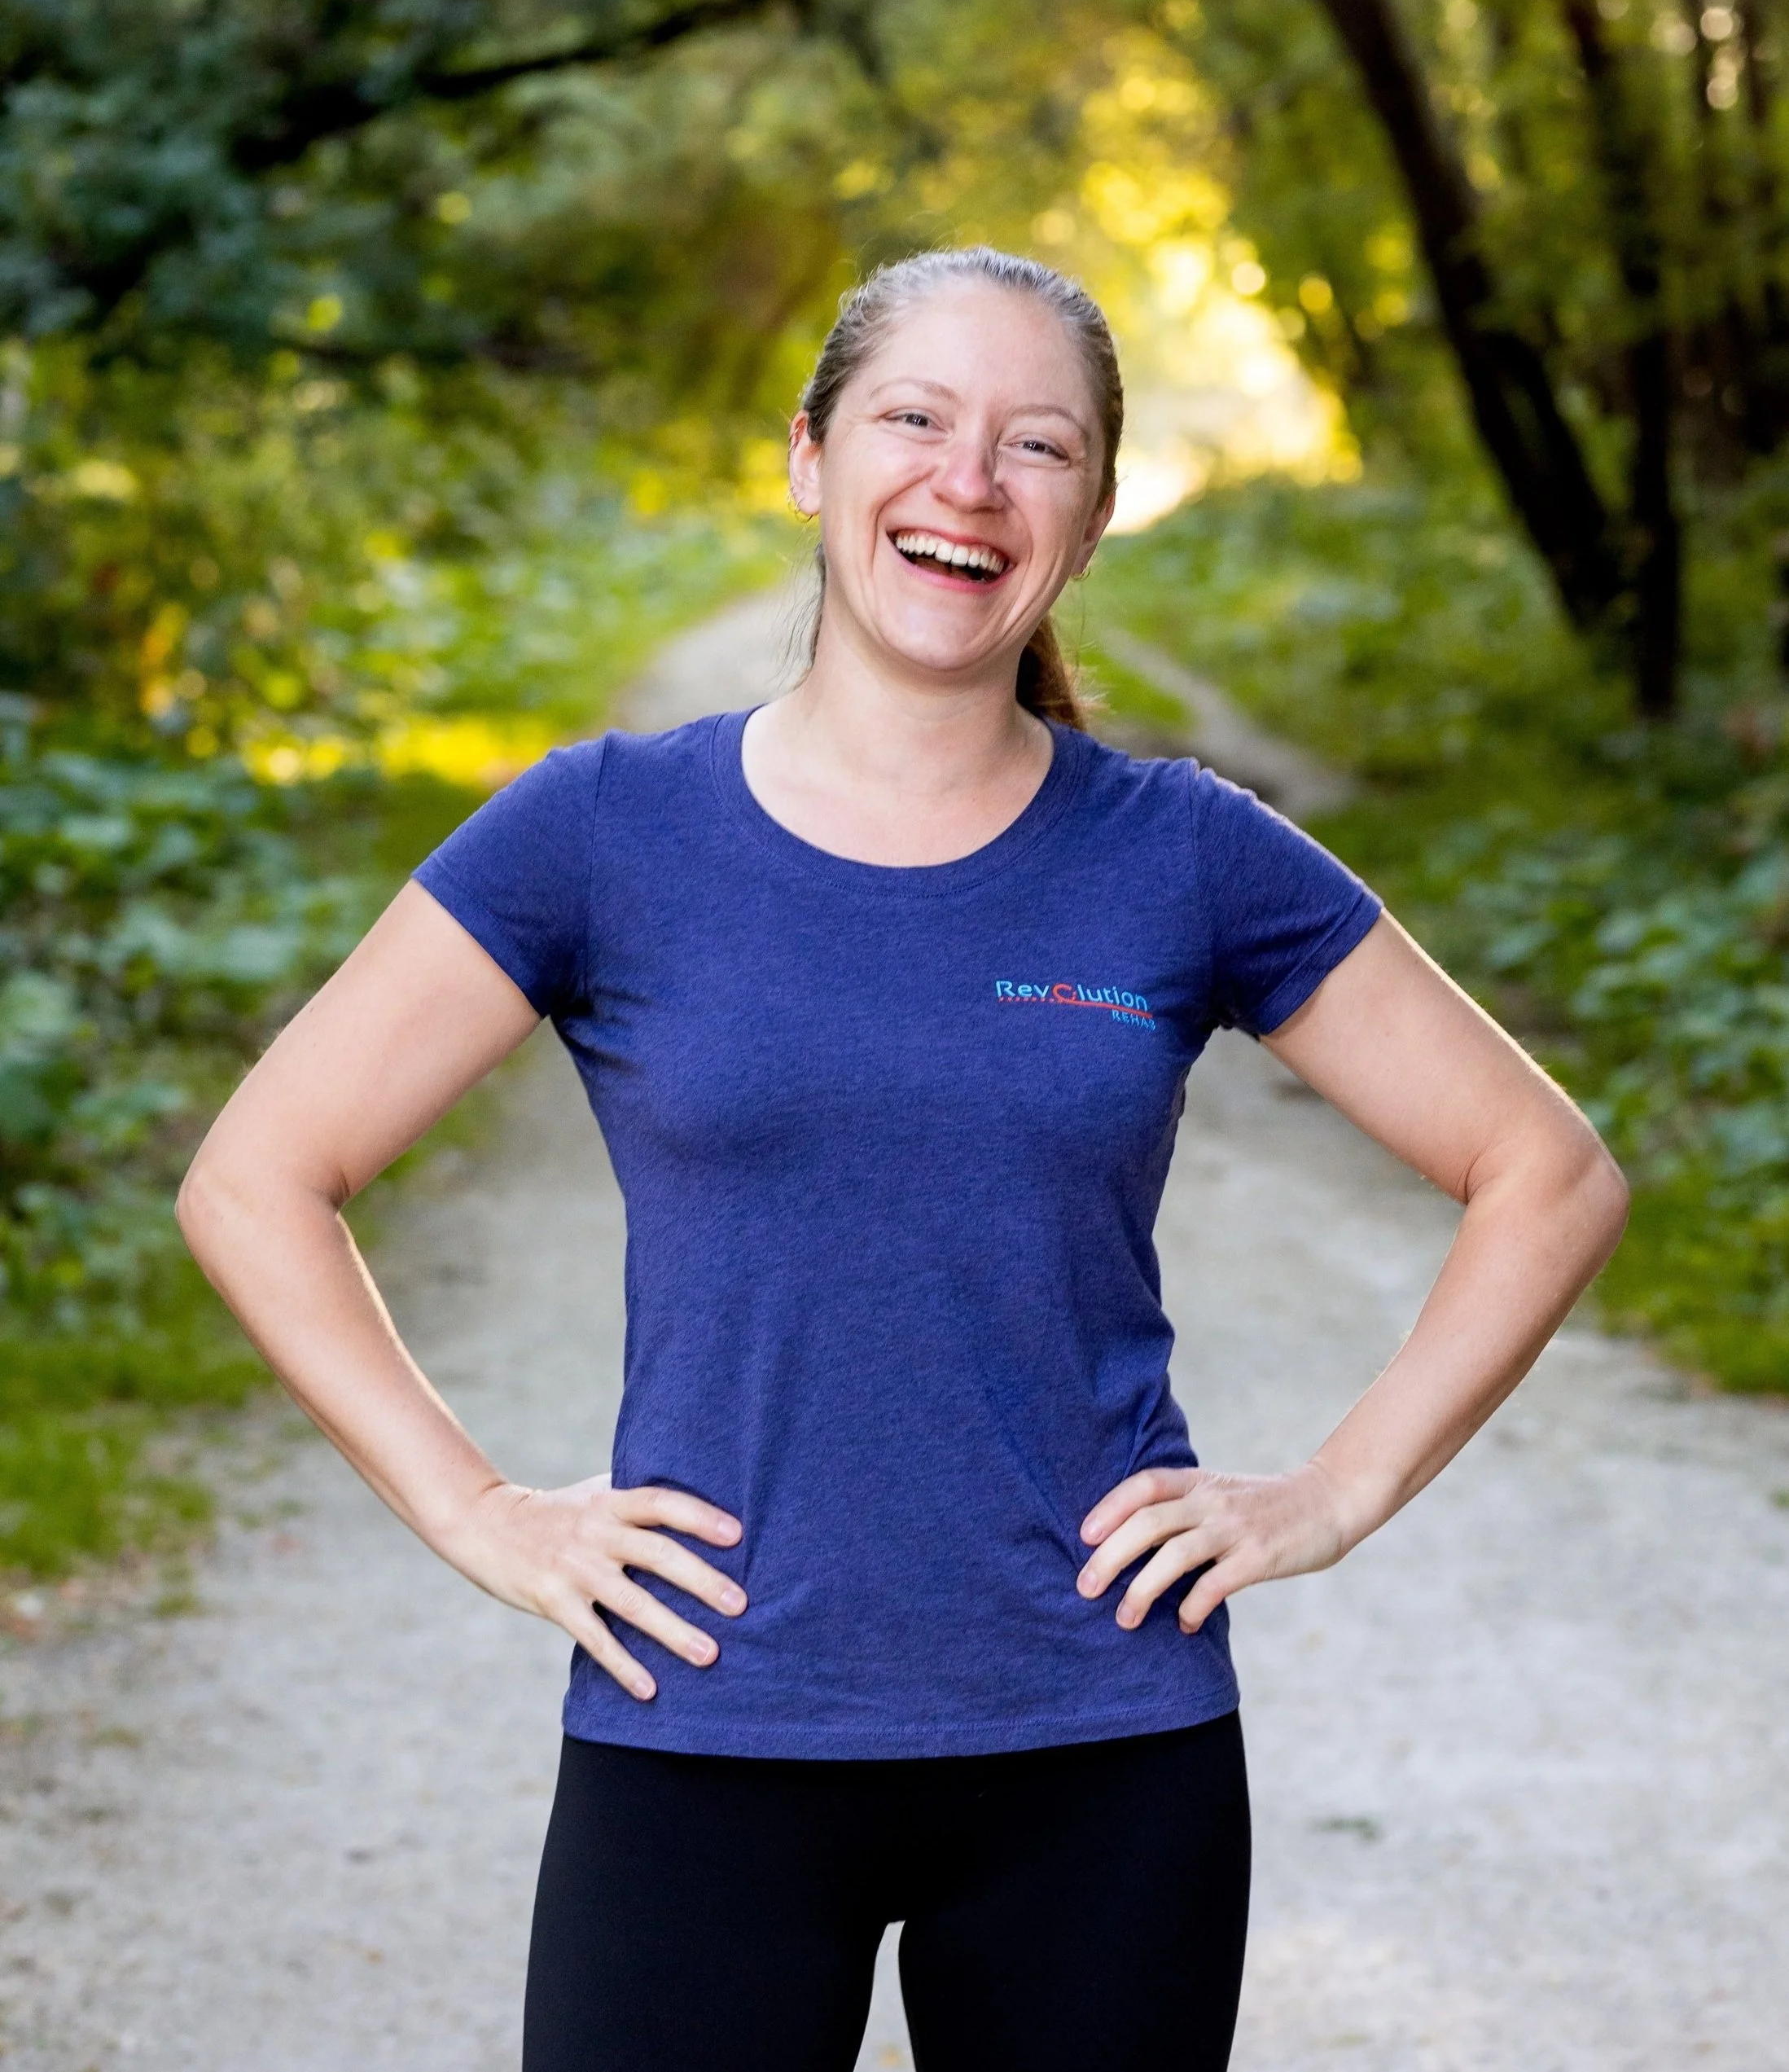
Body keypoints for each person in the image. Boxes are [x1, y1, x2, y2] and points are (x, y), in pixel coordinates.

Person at [177, 247, 1629, 2072]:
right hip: (704, 1727)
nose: (970, 483)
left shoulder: (1183, 853)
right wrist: (478, 1514)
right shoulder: (601, 833)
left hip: (1103, 1752)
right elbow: (256, 1178)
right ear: (810, 456)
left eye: (1038, 447)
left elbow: (1547, 1172)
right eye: (917, 419)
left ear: (1092, 517)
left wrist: (1332, 1496)